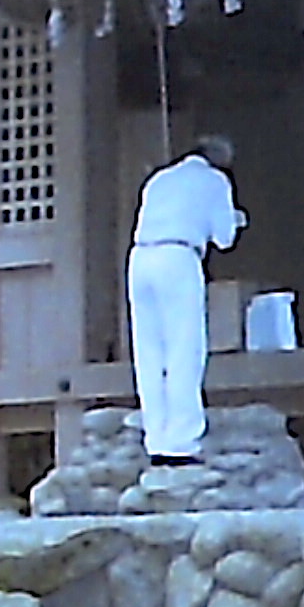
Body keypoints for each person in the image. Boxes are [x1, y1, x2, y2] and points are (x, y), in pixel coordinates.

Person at [124, 135, 244, 466]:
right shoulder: (214, 180)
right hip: (178, 256)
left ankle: (155, 437)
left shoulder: (159, 179)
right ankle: (182, 440)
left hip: (140, 258)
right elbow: (224, 237)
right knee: (184, 345)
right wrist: (235, 218)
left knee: (148, 350)